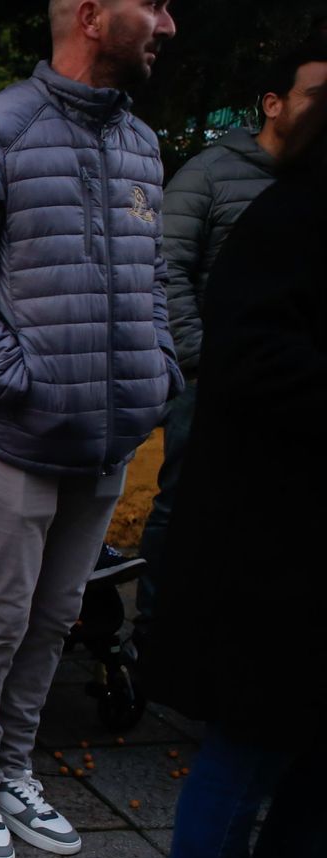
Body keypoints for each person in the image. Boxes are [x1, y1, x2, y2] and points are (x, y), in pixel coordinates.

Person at [0, 0, 182, 858]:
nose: (169, 25)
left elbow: (156, 276)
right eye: (154, 4)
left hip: (108, 437)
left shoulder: (141, 141)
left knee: (57, 616)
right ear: (93, 16)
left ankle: (14, 768)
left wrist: (157, 370)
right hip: (12, 438)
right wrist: (20, 381)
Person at [148, 90, 327, 858]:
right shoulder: (288, 217)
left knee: (313, 754)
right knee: (252, 746)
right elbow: (248, 358)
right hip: (276, 547)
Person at [134, 40, 327, 661]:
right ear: (274, 103)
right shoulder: (211, 175)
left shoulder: (311, 185)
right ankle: (158, 636)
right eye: (318, 98)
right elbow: (165, 271)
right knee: (183, 506)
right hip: (211, 380)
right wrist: (203, 361)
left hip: (290, 390)